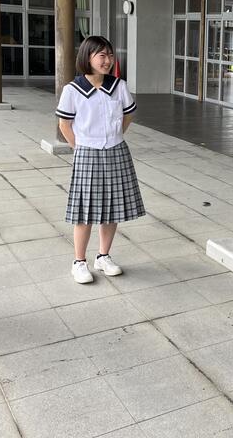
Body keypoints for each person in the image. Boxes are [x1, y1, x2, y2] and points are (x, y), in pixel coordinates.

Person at [56, 36, 144, 284]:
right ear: (88, 57)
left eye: (110, 55)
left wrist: (116, 135)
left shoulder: (119, 86)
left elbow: (128, 115)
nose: (108, 60)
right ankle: (79, 262)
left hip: (116, 150)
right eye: (102, 56)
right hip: (87, 152)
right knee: (84, 210)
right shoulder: (72, 90)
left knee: (112, 207)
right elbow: (64, 125)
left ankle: (103, 256)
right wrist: (80, 148)